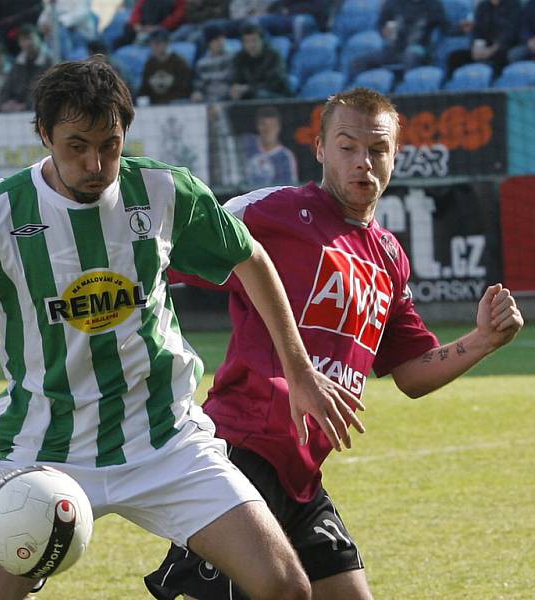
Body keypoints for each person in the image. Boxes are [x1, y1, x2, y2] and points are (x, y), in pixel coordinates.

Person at [0, 56, 367, 600]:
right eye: (76, 145)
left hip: (166, 443)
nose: (95, 163)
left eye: (110, 144)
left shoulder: (163, 191)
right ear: (43, 134)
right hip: (42, 451)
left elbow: (251, 258)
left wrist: (301, 372)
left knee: (287, 588)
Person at [144, 87, 525, 600]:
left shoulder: (388, 255)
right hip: (241, 455)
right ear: (319, 148)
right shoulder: (271, 212)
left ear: (395, 156)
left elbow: (410, 372)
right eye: (347, 146)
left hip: (303, 474)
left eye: (377, 149)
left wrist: (482, 341)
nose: (362, 162)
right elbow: (165, 256)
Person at [348, 0, 450, 78]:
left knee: (410, 55)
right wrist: (384, 30)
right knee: (358, 62)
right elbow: (381, 24)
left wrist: (461, 28)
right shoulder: (394, 2)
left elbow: (446, 27)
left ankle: (408, 96)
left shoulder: (432, 4)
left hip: (419, 48)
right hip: (394, 49)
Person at [447, 0, 521, 75]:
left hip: (502, 49)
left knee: (501, 58)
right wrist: (477, 47)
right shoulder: (483, 6)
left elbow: (510, 33)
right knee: (455, 57)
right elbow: (477, 30)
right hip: (484, 47)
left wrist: (492, 49)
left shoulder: (514, 6)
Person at [0, 23, 53, 113]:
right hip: (16, 112)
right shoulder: (17, 64)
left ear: (38, 38)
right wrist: (5, 103)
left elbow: (48, 93)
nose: (27, 43)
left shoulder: (50, 62)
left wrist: (26, 106)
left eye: (30, 38)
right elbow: (6, 88)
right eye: (23, 40)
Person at [230, 22, 291, 101]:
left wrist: (248, 88)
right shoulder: (239, 58)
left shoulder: (274, 55)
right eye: (246, 41)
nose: (251, 45)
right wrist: (236, 89)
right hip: (249, 96)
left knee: (260, 95)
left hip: (276, 96)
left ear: (262, 40)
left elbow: (275, 83)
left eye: (254, 40)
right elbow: (236, 79)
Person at [243, 105, 298, 187]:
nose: (268, 130)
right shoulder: (246, 145)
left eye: (272, 125)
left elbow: (289, 188)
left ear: (278, 128)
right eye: (263, 125)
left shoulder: (285, 156)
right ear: (258, 126)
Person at [137, 26, 192, 105]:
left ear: (166, 44)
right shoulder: (149, 64)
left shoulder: (179, 63)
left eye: (157, 43)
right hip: (154, 106)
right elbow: (144, 89)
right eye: (151, 43)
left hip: (175, 105)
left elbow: (185, 89)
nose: (153, 47)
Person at [113, 0, 186, 49]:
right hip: (144, 26)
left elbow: (177, 17)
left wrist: (157, 27)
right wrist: (136, 24)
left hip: (163, 28)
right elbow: (137, 9)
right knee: (123, 36)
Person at [190, 24, 234, 103]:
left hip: (228, 101)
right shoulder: (201, 64)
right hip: (208, 102)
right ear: (209, 43)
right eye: (216, 40)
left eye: (222, 39)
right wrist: (197, 94)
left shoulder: (232, 59)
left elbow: (233, 82)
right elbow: (199, 86)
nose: (221, 42)